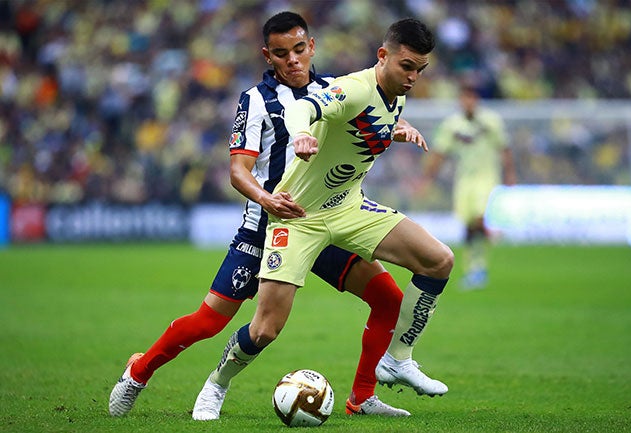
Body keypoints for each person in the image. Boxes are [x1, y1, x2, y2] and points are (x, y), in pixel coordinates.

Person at [109, 11, 422, 419]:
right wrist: (267, 199)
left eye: (298, 49)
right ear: (267, 55)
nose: (292, 60)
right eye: (281, 53)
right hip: (268, 226)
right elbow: (238, 171)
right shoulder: (256, 100)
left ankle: (362, 399)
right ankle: (140, 372)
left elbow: (371, 121)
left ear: (311, 47)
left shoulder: (335, 90)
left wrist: (396, 129)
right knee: (213, 321)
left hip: (324, 222)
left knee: (389, 299)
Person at [192, 17, 454, 421]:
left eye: (421, 68)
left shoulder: (395, 94)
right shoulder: (353, 87)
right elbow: (305, 107)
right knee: (264, 330)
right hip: (299, 218)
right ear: (383, 56)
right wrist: (300, 133)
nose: (414, 76)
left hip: (348, 208)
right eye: (407, 66)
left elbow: (367, 127)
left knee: (439, 260)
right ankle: (217, 384)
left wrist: (397, 129)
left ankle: (397, 359)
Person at [428, 82, 516, 289]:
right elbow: (440, 152)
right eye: (464, 97)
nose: (468, 102)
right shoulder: (452, 124)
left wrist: (510, 174)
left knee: (478, 218)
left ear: (477, 99)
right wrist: (427, 177)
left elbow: (504, 148)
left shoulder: (491, 121)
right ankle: (475, 268)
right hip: (464, 180)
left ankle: (485, 247)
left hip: (487, 178)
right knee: (468, 225)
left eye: (471, 97)